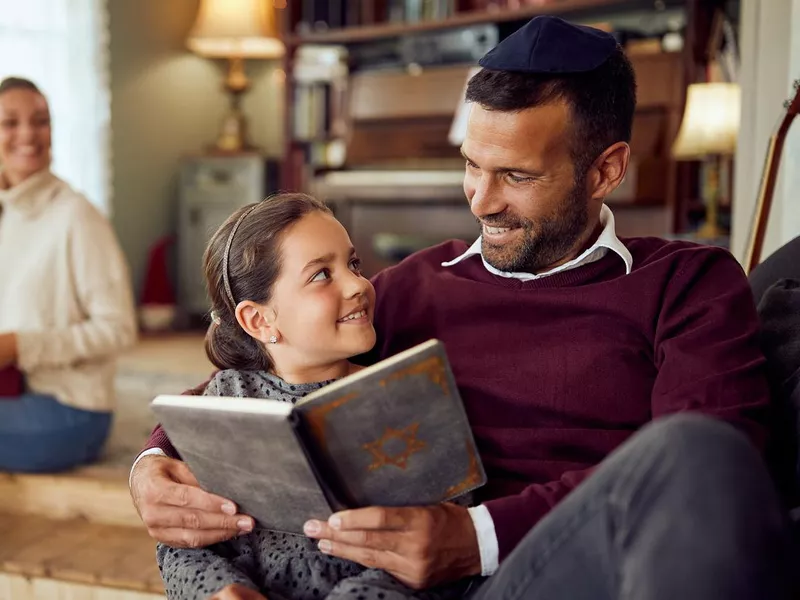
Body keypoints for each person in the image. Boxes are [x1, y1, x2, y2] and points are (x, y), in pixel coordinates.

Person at [131, 17, 795, 599]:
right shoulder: (415, 286)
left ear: (606, 170)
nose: (480, 200)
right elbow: (261, 374)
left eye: (516, 176)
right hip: (412, 591)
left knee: (691, 452)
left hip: (591, 566)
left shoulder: (687, 283)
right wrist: (152, 466)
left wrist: (477, 536)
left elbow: (714, 466)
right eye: (472, 165)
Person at [157, 193, 477, 600]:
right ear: (259, 320)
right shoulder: (225, 398)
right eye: (322, 275)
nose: (359, 284)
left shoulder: (407, 399)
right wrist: (224, 592)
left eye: (354, 263)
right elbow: (183, 539)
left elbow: (437, 548)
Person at [0, 76, 137, 472]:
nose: (28, 133)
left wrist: (20, 346)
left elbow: (119, 329)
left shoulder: (77, 215)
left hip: (70, 410)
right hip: (12, 394)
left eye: (40, 121)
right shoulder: (7, 213)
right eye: (10, 122)